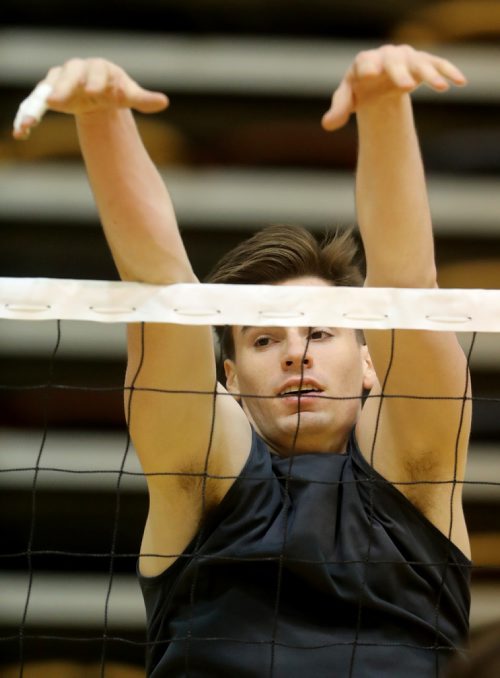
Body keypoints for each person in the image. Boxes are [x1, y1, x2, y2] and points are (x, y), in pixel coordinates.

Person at [14, 45, 472, 676]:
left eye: (322, 333)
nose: (294, 353)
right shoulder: (199, 485)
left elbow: (408, 288)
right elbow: (162, 287)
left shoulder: (418, 480)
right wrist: (103, 119)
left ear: (370, 366)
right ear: (227, 380)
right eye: (263, 340)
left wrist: (385, 106)